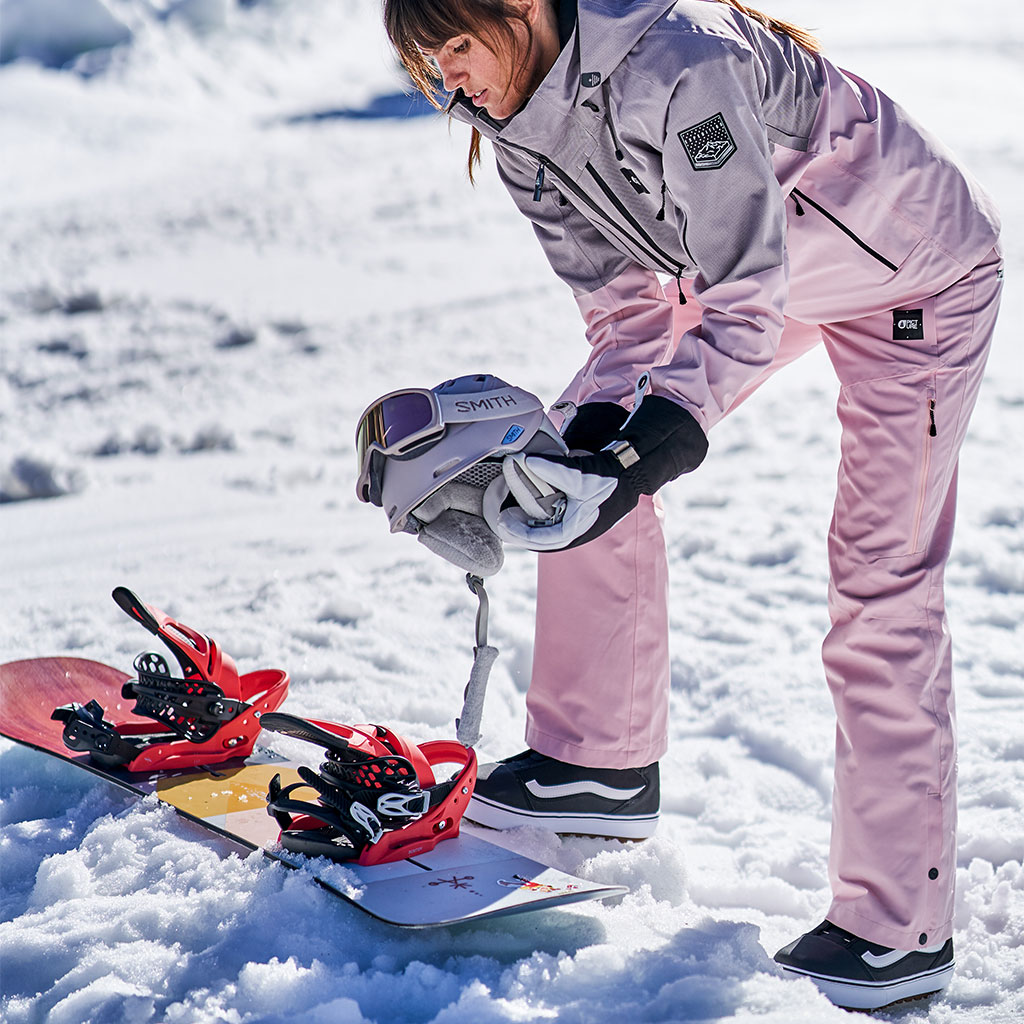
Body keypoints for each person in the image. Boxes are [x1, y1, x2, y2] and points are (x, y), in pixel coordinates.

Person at [380, 0, 1002, 1009]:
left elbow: (744, 287)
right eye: (426, 60)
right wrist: (597, 447)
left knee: (878, 582)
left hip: (915, 278)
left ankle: (899, 928)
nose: (450, 82)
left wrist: (658, 438)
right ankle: (597, 762)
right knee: (574, 444)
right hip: (767, 278)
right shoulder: (518, 138)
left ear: (527, 8)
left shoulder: (679, 62)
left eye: (456, 46)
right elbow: (629, 315)